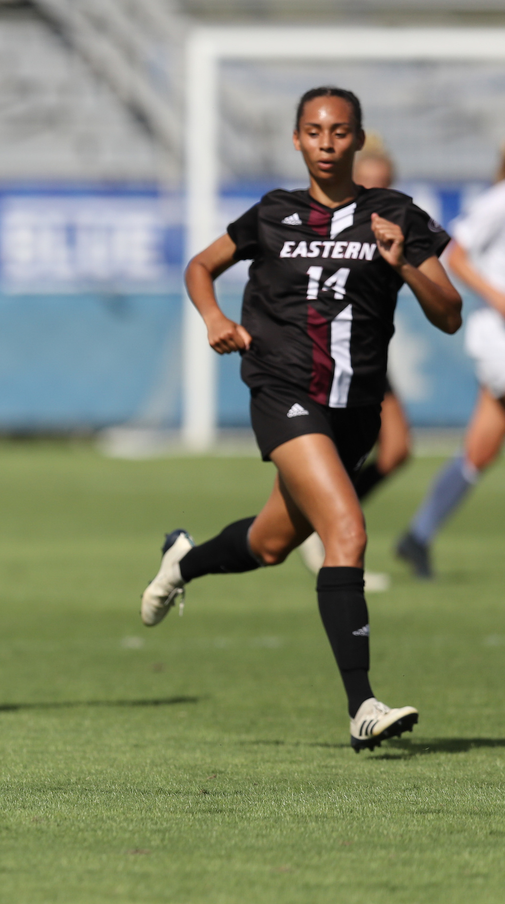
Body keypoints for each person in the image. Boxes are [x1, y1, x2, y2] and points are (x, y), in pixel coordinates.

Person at [141, 87, 461, 751]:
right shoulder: (273, 214)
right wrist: (215, 320)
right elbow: (201, 267)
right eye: (313, 131)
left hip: (355, 410)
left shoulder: (395, 215)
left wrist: (404, 264)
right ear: (296, 140)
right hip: (282, 389)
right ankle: (362, 705)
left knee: (268, 544)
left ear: (357, 139)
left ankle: (183, 562)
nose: (325, 143)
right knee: (346, 532)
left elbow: (450, 311)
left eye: (339, 132)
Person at [298, 134, 411, 590]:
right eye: (371, 184)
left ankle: (323, 529)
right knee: (332, 456)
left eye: (387, 185)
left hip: (368, 350)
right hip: (331, 351)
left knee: (397, 449)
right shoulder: (328, 228)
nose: (379, 194)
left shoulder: (394, 229)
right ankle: (331, 538)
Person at [395, 145, 505, 578]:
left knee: (480, 450)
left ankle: (418, 536)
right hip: (500, 340)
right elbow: (458, 254)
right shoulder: (500, 199)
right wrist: (498, 297)